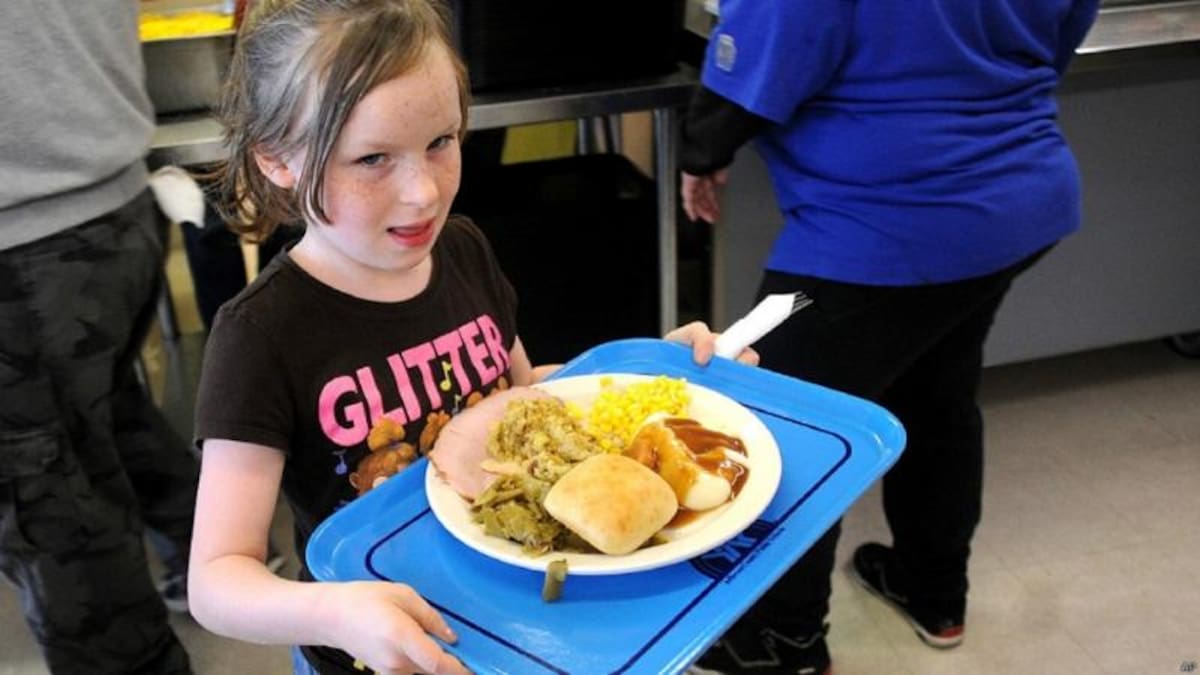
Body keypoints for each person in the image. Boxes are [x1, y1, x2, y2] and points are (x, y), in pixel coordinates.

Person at [187, 2, 755, 673]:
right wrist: (336, 612)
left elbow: (523, 395)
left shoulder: (462, 249)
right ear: (278, 159)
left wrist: (659, 378)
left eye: (442, 141)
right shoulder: (261, 332)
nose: (423, 192)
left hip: (517, 617)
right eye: (372, 158)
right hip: (382, 648)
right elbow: (217, 578)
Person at [679, 2, 1101, 674]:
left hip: (880, 228)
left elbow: (764, 52)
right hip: (1018, 199)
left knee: (788, 434)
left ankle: (779, 644)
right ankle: (932, 589)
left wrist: (703, 148)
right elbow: (1067, 26)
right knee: (937, 391)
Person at [0, 1, 203, 673]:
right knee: (104, 416)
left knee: (56, 521)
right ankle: (214, 547)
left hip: (26, 232)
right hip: (112, 201)